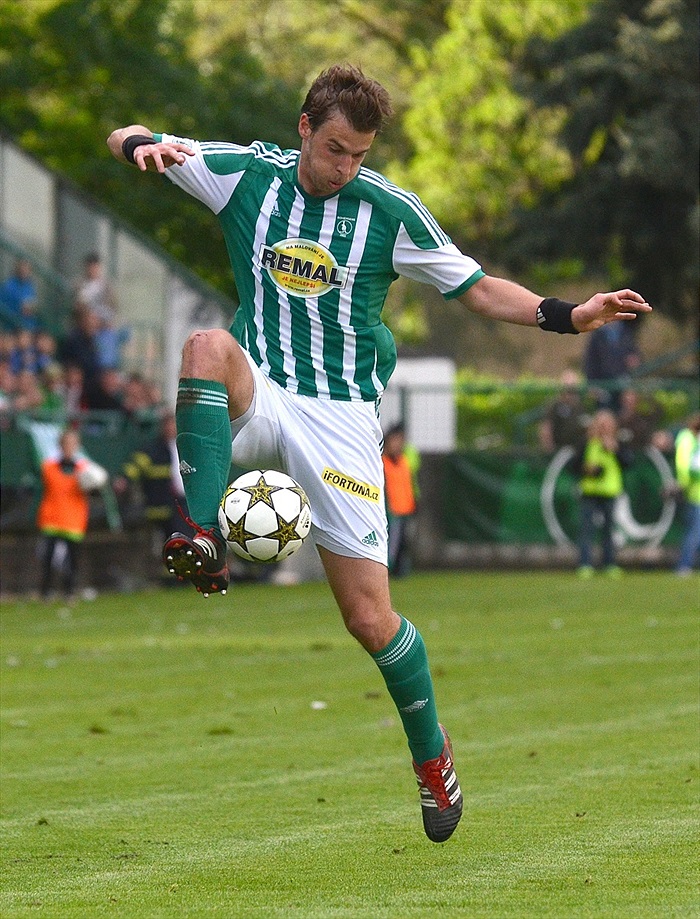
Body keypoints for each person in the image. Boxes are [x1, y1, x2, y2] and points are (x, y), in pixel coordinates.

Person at [107, 64, 651, 844]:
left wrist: (570, 314)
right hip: (262, 389)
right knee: (204, 345)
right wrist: (139, 148)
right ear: (304, 127)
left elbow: (477, 287)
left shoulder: (388, 211)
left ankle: (433, 758)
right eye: (334, 149)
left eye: (359, 155)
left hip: (340, 421)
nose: (345, 167)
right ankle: (201, 533)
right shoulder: (243, 175)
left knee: (368, 617)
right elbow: (130, 135)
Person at [36, 428, 92, 599]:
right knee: (48, 558)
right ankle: (46, 592)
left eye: (72, 444)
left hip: (73, 519)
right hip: (52, 517)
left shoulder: (84, 468)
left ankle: (69, 592)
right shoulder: (50, 466)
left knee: (73, 560)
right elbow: (51, 481)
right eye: (66, 444)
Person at [576, 410, 632, 577]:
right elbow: (574, 465)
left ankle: (609, 563)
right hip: (590, 491)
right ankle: (585, 564)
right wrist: (587, 469)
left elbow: (628, 462)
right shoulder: (587, 442)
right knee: (587, 530)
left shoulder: (618, 442)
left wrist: (615, 449)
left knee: (608, 530)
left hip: (609, 491)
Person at [382, 423, 418, 577]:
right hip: (392, 511)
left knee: (404, 543)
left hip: (406, 508)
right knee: (391, 543)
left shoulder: (404, 461)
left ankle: (399, 570)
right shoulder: (383, 462)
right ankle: (387, 569)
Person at [583, 321, 641, 410]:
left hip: (622, 381)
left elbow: (634, 353)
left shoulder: (626, 332)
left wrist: (635, 359)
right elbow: (590, 361)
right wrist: (592, 384)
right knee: (605, 410)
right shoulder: (597, 335)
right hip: (603, 383)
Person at [672, 412, 700, 576]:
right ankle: (684, 565)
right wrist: (684, 483)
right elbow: (687, 466)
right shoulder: (689, 439)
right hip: (695, 493)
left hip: (693, 491)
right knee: (694, 531)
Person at [0, 258, 38, 330]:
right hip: (11, 324)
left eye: (27, 269)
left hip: (28, 323)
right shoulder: (8, 285)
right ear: (18, 270)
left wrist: (31, 307)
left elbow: (32, 304)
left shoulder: (30, 286)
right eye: (23, 269)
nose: (24, 271)